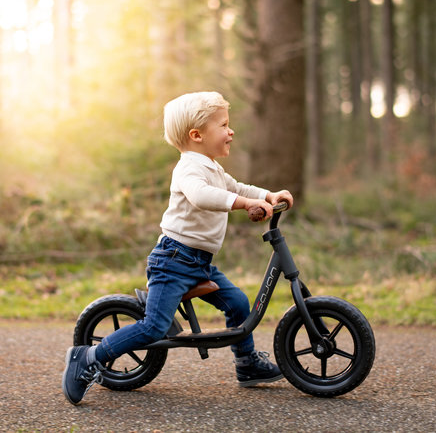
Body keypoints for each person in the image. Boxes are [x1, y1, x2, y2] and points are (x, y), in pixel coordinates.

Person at [62, 91, 293, 405]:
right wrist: (244, 204)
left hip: (198, 262)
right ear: (197, 135)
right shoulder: (189, 169)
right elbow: (201, 196)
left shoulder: (212, 168)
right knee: (155, 326)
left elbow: (237, 188)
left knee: (238, 302)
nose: (231, 131)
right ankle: (87, 359)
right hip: (173, 260)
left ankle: (247, 364)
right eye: (224, 125)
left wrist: (268, 195)